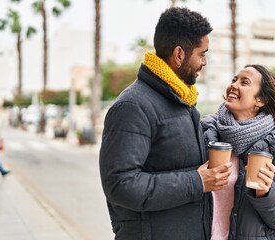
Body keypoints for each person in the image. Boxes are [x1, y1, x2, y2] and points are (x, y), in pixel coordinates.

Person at [99, 7, 232, 240]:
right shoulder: (133, 107)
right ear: (179, 54)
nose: (204, 62)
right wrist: (197, 181)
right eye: (202, 54)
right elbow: (121, 185)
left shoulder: (183, 101)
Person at [202, 64, 275, 240]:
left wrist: (265, 193)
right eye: (234, 80)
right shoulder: (206, 135)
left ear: (260, 100)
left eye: (244, 82)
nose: (234, 85)